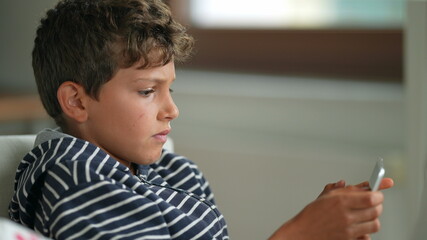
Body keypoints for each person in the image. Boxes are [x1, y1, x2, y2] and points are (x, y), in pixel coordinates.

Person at [8, 0, 394, 239]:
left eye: (169, 90)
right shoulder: (75, 179)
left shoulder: (176, 172)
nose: (171, 110)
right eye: (147, 91)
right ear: (76, 101)